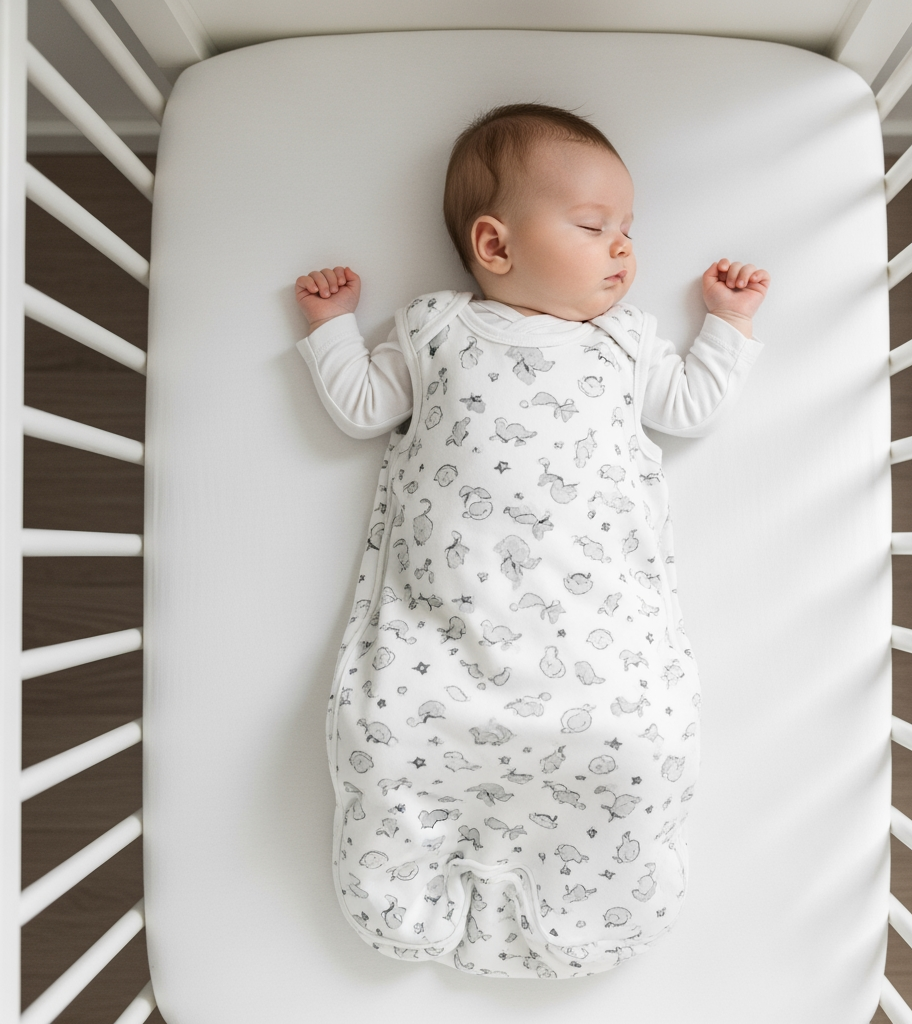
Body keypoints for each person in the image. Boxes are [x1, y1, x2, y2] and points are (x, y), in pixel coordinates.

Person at [294, 103, 769, 978]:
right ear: (495, 245)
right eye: (594, 227)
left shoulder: (625, 344)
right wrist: (332, 331)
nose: (624, 249)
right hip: (447, 633)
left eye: (629, 230)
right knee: (389, 726)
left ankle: (600, 898)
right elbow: (363, 408)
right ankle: (406, 882)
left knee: (643, 740)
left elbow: (690, 409)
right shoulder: (434, 330)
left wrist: (726, 328)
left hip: (596, 643)